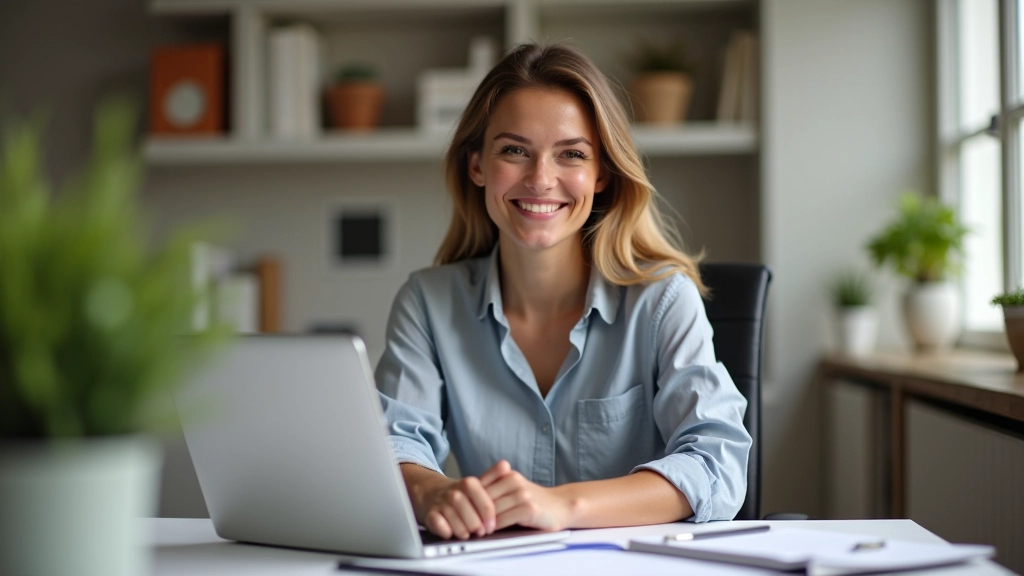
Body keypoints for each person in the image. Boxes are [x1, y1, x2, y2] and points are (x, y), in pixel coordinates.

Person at [375, 43, 751, 541]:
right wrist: (430, 492)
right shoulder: (428, 303)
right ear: (477, 166)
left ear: (602, 175)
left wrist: (562, 505)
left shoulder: (662, 301)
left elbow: (717, 466)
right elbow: (393, 444)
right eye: (514, 151)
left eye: (571, 154)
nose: (540, 179)